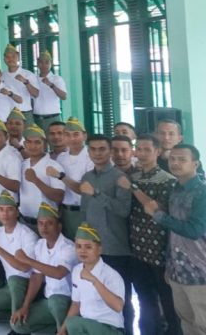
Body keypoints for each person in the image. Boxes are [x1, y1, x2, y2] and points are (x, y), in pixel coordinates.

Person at [144, 144, 206, 335]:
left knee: (203, 324)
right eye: (172, 159)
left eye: (182, 159)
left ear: (195, 164)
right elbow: (174, 234)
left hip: (200, 272)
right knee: (186, 322)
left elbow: (194, 230)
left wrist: (158, 216)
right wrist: (169, 264)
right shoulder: (175, 189)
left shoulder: (202, 192)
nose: (176, 163)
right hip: (177, 271)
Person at [77, 134, 134, 334]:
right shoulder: (87, 177)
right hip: (92, 249)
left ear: (110, 151)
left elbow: (123, 210)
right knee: (94, 295)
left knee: (120, 299)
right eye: (93, 149)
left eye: (102, 149)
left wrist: (97, 194)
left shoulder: (120, 177)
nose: (97, 153)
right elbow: (85, 212)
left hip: (115, 247)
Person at [127, 135, 180, 335]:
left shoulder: (168, 180)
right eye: (138, 149)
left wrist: (133, 188)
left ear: (157, 151)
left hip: (160, 250)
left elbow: (154, 208)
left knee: (168, 301)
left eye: (146, 149)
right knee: (145, 299)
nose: (141, 153)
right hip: (137, 250)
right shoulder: (133, 177)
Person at [11, 203, 78, 335]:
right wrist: (25, 306)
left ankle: (64, 330)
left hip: (67, 302)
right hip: (49, 301)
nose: (44, 227)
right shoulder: (40, 245)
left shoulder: (68, 247)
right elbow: (37, 277)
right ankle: (54, 327)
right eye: (40, 223)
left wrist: (27, 260)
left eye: (49, 223)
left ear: (59, 227)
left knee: (56, 301)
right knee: (18, 325)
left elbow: (59, 273)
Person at [0, 191, 38, 325]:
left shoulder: (27, 235)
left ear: (17, 212)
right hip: (10, 286)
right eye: (1, 210)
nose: (5, 214)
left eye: (10, 209)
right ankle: (16, 315)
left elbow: (24, 268)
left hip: (27, 286)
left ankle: (19, 323)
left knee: (15, 280)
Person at [61, 223, 127, 335]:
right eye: (78, 246)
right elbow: (76, 304)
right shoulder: (77, 270)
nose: (82, 251)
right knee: (70, 323)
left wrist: (94, 280)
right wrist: (62, 331)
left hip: (110, 328)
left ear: (99, 250)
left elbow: (118, 307)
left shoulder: (111, 274)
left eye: (88, 247)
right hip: (88, 326)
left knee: (73, 323)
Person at [49, 118, 93, 239]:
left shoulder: (91, 157)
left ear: (84, 136)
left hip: (84, 212)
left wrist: (61, 176)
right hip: (65, 212)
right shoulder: (61, 157)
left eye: (76, 134)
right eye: (67, 135)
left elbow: (84, 190)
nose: (72, 138)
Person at [18, 124, 65, 226]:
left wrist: (36, 180)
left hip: (45, 224)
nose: (33, 146)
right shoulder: (23, 164)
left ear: (45, 144)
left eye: (37, 142)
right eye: (29, 142)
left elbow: (59, 196)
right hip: (23, 220)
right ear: (24, 144)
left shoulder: (54, 166)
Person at [2, 44, 40, 123]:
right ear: (4, 59)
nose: (10, 59)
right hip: (7, 114)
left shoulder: (28, 74)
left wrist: (26, 82)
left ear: (18, 57)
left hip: (24, 113)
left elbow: (36, 94)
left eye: (13, 56)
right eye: (7, 57)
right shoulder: (1, 76)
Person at [32, 51, 67, 132]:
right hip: (36, 118)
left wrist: (51, 85)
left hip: (53, 118)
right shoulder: (33, 79)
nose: (43, 65)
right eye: (41, 62)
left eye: (47, 62)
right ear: (37, 63)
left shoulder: (57, 79)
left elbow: (64, 96)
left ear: (51, 64)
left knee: (55, 140)